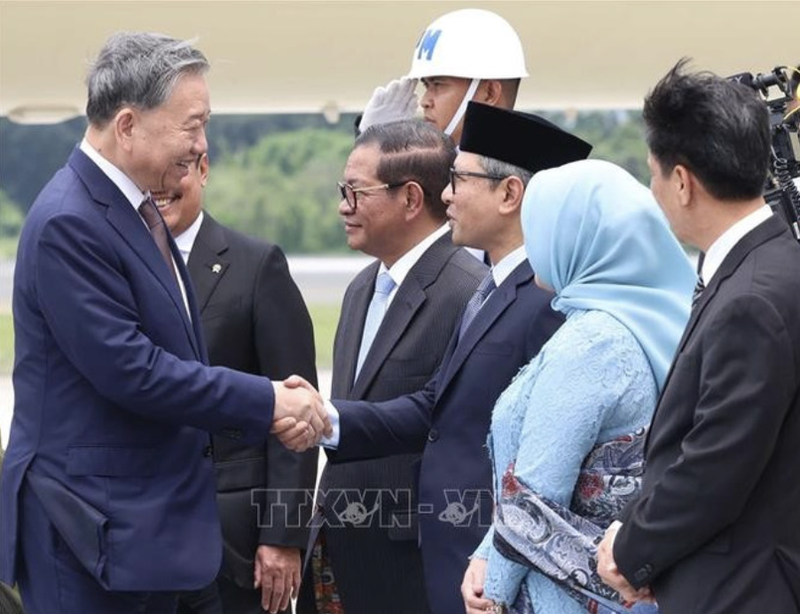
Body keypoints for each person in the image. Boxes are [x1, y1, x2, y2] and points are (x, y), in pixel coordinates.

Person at [0, 32, 328, 614]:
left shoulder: (135, 208)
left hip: (142, 533)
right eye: (191, 125)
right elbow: (134, 370)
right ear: (127, 126)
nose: (202, 144)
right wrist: (270, 402)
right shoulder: (70, 223)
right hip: (91, 533)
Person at [290, 102, 592, 614]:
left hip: (484, 563)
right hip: (451, 560)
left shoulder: (544, 300)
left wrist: (497, 567)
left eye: (460, 179)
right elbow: (435, 407)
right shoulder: (493, 290)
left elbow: (546, 465)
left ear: (509, 194)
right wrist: (328, 419)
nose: (447, 194)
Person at [597, 60, 800, 614]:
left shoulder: (753, 298)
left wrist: (630, 548)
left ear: (682, 181)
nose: (655, 189)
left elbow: (717, 464)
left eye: (654, 173)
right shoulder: (769, 265)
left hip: (744, 588)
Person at [461, 160, 694, 614]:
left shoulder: (592, 344)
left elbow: (534, 494)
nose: (533, 244)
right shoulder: (632, 322)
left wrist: (494, 596)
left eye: (541, 228)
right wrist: (485, 553)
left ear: (576, 238)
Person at [297, 120, 486, 614]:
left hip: (409, 563)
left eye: (356, 192)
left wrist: (322, 418)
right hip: (335, 548)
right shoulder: (362, 287)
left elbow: (445, 421)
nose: (343, 205)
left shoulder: (468, 291)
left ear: (410, 199)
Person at [148, 153, 318, 614]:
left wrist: (283, 536)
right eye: (148, 172)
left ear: (203, 170)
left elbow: (296, 409)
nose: (160, 185)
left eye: (177, 169)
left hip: (236, 548)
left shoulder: (256, 265)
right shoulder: (113, 267)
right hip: (140, 542)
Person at [359, 8, 527, 145]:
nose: (424, 102)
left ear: (489, 93)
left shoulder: (528, 180)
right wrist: (374, 148)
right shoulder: (427, 170)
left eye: (438, 84)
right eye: (426, 86)